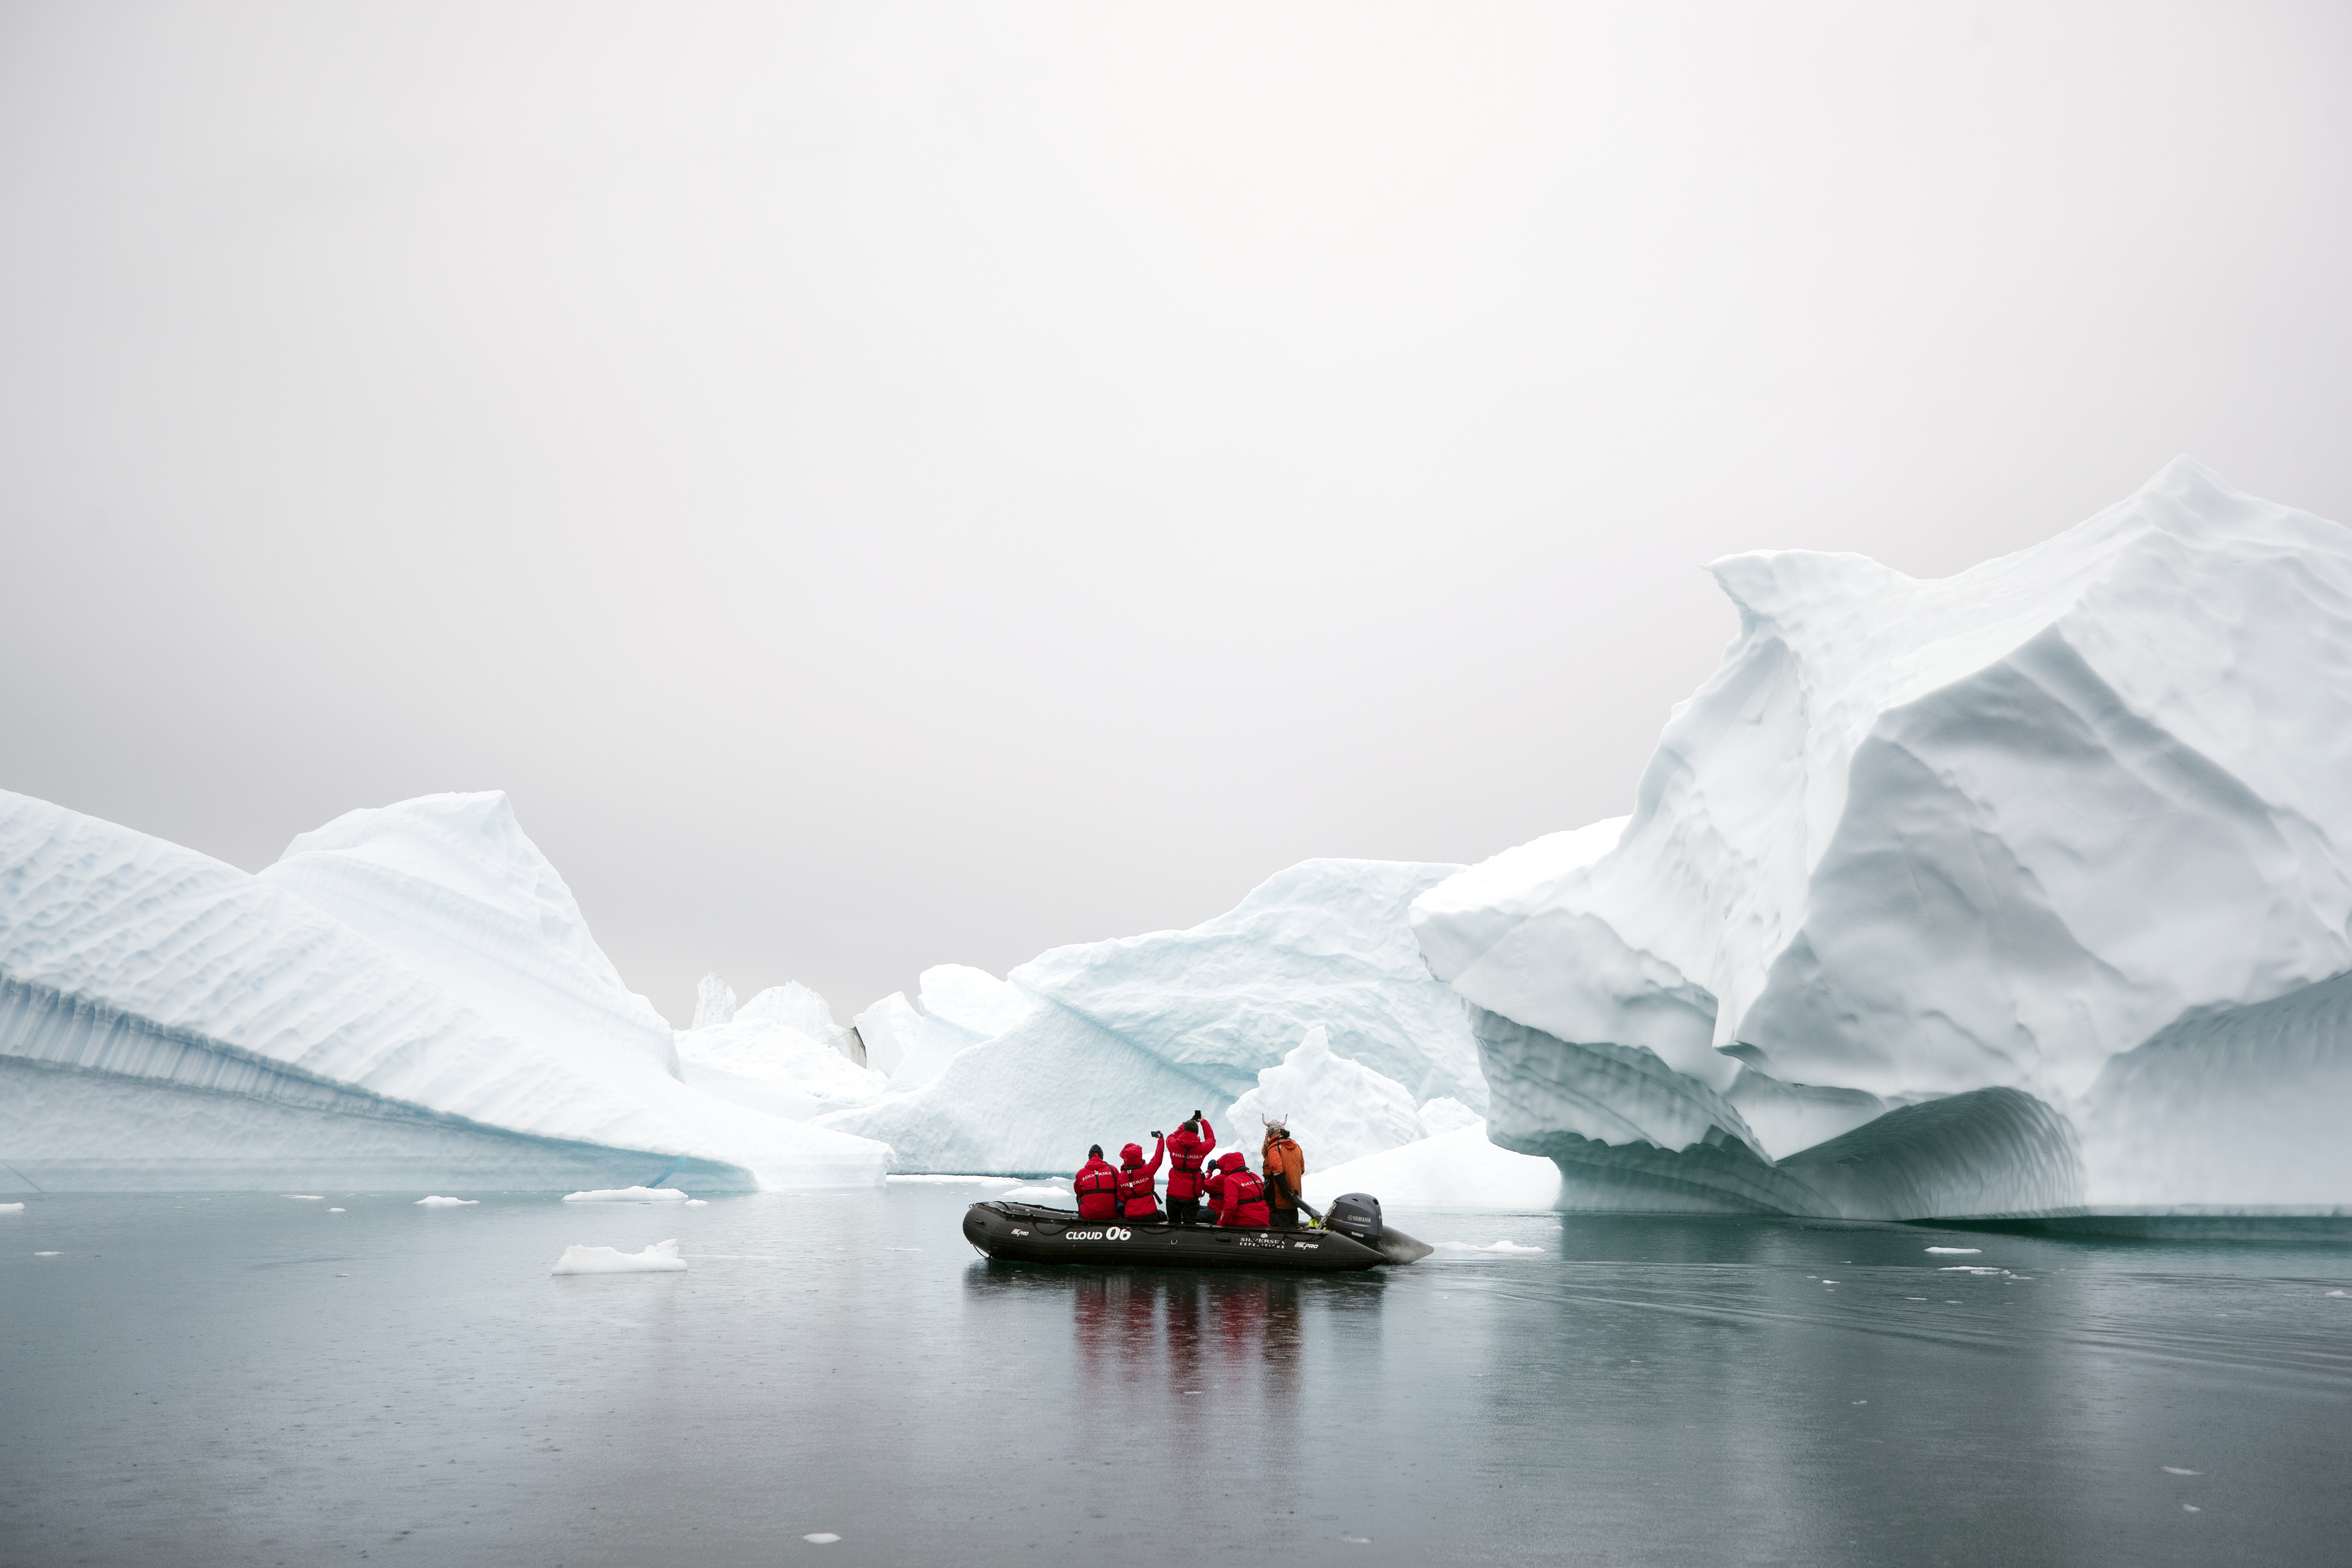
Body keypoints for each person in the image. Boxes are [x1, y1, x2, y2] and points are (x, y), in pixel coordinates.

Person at [1164, 1111, 1216, 1225]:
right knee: (1190, 1224)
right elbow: (1211, 1139)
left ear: (1184, 1131)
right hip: (1191, 1194)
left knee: (1173, 1224)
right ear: (1196, 1133)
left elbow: (1171, 1136)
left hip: (1173, 1192)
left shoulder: (1173, 1144)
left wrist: (1185, 1123)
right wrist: (1203, 1122)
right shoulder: (1201, 1148)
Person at [1205, 1150, 1270, 1229]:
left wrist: (1220, 1223)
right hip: (1263, 1219)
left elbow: (1230, 1206)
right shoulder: (1254, 1176)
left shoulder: (1231, 1180)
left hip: (1244, 1221)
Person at [1261, 1120, 1305, 1229]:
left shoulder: (1274, 1148)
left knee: (1279, 1229)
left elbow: (1277, 1169)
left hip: (1279, 1196)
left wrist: (1284, 1189)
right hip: (1295, 1197)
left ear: (1270, 1133)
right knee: (1293, 1226)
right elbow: (1302, 1169)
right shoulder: (1296, 1146)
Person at [1117, 1133, 1166, 1222]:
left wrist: (1131, 1203)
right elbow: (1158, 1157)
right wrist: (1161, 1140)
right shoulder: (1147, 1170)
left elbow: (1121, 1196)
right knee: (1163, 1215)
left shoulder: (1121, 1176)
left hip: (1131, 1215)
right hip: (1149, 1213)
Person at [1073, 1144, 1120, 1221]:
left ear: (1089, 1157)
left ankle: (1081, 1219)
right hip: (1111, 1214)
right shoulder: (1112, 1169)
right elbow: (1120, 1188)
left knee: (1079, 1196)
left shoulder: (1081, 1173)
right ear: (1102, 1156)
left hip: (1088, 1215)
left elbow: (1078, 1191)